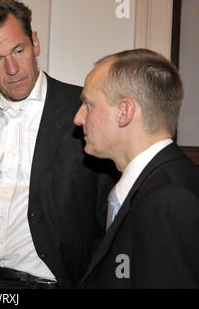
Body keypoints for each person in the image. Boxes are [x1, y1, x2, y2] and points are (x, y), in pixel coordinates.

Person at [0, 0, 116, 289]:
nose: (12, 69)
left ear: (35, 43)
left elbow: (108, 215)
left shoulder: (83, 109)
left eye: (18, 50)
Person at [75, 49, 199, 288]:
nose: (78, 118)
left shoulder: (169, 199)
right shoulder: (152, 186)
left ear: (125, 112)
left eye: (88, 105)